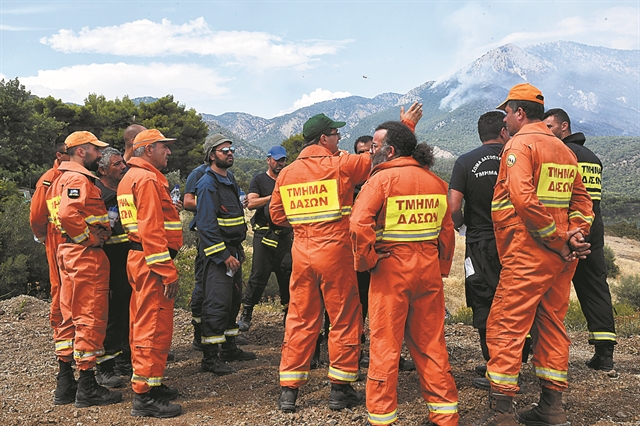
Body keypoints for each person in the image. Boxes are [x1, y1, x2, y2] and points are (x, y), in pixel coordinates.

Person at [484, 84, 593, 426]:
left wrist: (557, 240)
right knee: (551, 324)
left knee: (506, 324)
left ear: (519, 112)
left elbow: (522, 198)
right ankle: (552, 408)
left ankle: (502, 414)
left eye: (507, 112)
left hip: (529, 251)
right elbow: (583, 204)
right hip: (560, 260)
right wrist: (575, 235)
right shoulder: (564, 149)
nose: (505, 119)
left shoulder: (520, 144)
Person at [350, 121, 459, 425]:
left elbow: (358, 226)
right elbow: (447, 233)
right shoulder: (436, 182)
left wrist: (367, 262)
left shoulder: (380, 181)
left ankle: (382, 418)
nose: (371, 152)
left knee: (385, 347)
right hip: (428, 273)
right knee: (431, 346)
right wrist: (440, 269)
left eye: (374, 146)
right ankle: (445, 417)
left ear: (390, 150)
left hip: (390, 273)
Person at [271, 113, 371, 413]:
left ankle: (288, 392)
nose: (339, 139)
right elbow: (372, 162)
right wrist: (406, 126)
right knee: (344, 318)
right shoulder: (340, 163)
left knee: (300, 319)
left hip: (302, 253)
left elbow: (276, 215)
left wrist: (305, 224)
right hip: (336, 254)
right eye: (335, 134)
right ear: (323, 139)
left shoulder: (287, 173)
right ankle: (340, 390)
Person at [448, 111, 531, 390]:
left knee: (484, 299)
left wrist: (464, 226)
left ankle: (496, 363)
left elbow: (453, 209)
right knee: (516, 297)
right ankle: (518, 356)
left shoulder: (465, 162)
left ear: (480, 133)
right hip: (516, 240)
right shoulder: (517, 157)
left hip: (480, 243)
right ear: (504, 132)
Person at [51, 131, 123, 408]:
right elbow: (69, 214)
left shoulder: (59, 178)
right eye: (95, 149)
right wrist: (90, 238)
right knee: (90, 317)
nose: (98, 154)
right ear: (81, 151)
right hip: (85, 255)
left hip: (68, 253)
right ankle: (88, 385)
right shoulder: (78, 178)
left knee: (69, 315)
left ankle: (65, 381)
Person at [543, 108, 617, 371]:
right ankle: (605, 352)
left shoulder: (563, 155)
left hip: (569, 228)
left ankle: (535, 352)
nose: (546, 132)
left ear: (565, 127)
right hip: (594, 227)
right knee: (595, 286)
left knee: (546, 289)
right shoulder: (593, 158)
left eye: (550, 127)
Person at [117, 129, 183, 418]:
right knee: (152, 326)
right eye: (163, 147)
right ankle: (144, 396)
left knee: (142, 323)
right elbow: (152, 231)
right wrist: (167, 271)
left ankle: (150, 384)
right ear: (147, 150)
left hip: (139, 259)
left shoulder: (131, 177)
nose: (168, 152)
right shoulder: (145, 179)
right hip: (152, 263)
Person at [195, 134, 256, 375]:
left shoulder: (228, 179)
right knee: (216, 303)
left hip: (233, 250)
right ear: (212, 155)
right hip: (218, 254)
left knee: (232, 302)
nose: (230, 153)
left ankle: (229, 348)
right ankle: (210, 358)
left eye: (231, 150)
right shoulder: (208, 184)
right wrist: (222, 255)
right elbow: (206, 225)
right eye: (224, 151)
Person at [29, 142, 78, 405]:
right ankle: (66, 375)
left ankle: (73, 371)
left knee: (73, 303)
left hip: (65, 247)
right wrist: (46, 239)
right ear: (60, 156)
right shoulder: (49, 180)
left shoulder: (69, 178)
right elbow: (37, 217)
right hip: (61, 247)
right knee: (63, 303)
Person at [238, 145, 292, 332]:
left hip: (286, 236)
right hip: (264, 235)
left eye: (283, 160)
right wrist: (274, 197)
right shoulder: (260, 179)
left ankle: (289, 315)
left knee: (288, 274)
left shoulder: (289, 178)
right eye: (277, 160)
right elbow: (251, 203)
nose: (280, 163)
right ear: (268, 160)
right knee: (259, 275)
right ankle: (246, 314)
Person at [94, 147, 130, 387]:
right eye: (117, 164)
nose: (122, 167)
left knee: (127, 311)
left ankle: (123, 358)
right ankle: (105, 366)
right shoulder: (99, 193)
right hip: (108, 261)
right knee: (111, 314)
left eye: (122, 163)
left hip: (128, 260)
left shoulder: (126, 190)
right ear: (103, 169)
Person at [185, 137, 217, 351]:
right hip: (206, 237)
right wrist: (209, 205)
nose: (230, 152)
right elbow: (188, 202)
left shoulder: (226, 175)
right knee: (203, 284)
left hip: (223, 238)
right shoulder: (198, 174)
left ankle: (224, 334)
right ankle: (199, 333)